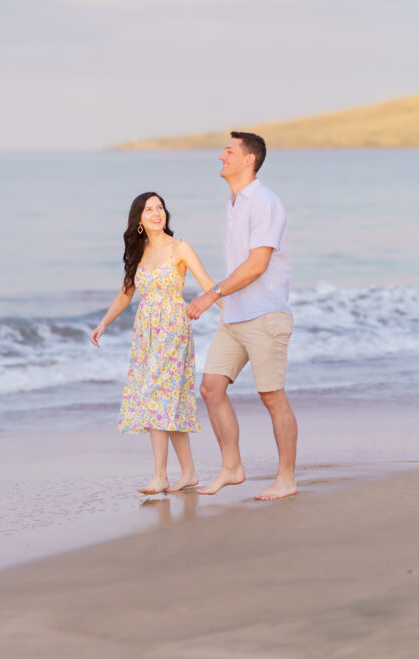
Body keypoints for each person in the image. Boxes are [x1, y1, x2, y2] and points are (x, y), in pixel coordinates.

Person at [185, 132, 298, 501]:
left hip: (265, 314)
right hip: (235, 316)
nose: (221, 156)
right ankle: (232, 468)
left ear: (249, 159)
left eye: (229, 151)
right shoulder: (234, 203)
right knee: (211, 389)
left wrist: (209, 295)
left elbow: (257, 265)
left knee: (272, 397)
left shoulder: (264, 201)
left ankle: (286, 478)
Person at [91, 192, 220, 495]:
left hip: (173, 328)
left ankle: (160, 475)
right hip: (146, 333)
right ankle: (188, 473)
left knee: (155, 397)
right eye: (149, 210)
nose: (156, 213)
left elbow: (207, 285)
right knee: (167, 403)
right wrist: (104, 323)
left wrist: (234, 314)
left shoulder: (180, 247)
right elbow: (126, 294)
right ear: (139, 219)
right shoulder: (139, 253)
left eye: (159, 208)